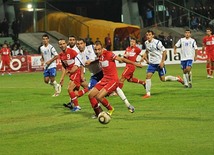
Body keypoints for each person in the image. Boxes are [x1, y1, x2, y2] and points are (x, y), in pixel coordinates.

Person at [88, 41, 142, 117]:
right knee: (91, 94)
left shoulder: (109, 54)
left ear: (102, 48)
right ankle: (98, 113)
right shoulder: (99, 56)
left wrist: (135, 63)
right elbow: (99, 61)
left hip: (112, 80)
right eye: (95, 50)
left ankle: (110, 109)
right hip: (105, 79)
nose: (97, 51)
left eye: (98, 49)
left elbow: (122, 59)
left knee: (99, 97)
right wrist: (90, 62)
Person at [141, 30, 184, 98]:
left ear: (153, 35)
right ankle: (148, 93)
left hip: (159, 63)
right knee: (148, 76)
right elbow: (147, 51)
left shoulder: (157, 42)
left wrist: (162, 62)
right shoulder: (146, 43)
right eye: (147, 35)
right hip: (152, 64)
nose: (148, 36)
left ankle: (177, 78)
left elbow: (164, 51)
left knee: (163, 79)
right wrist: (143, 58)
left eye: (149, 35)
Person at [58, 38, 88, 112]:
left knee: (70, 89)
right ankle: (91, 88)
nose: (62, 45)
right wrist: (62, 78)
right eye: (60, 44)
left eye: (63, 43)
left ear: (66, 44)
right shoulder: (61, 55)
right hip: (71, 74)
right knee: (76, 92)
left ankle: (77, 106)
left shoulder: (73, 52)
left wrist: (81, 75)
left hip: (76, 72)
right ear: (59, 46)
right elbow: (64, 67)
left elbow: (81, 63)